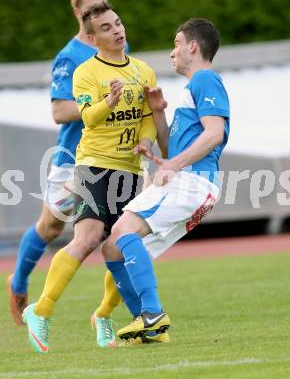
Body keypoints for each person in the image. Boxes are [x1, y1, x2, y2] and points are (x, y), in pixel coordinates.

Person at [22, 2, 161, 353]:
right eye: (107, 27)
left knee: (123, 246)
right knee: (88, 238)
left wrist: (145, 141)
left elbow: (147, 117)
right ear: (92, 37)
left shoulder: (144, 70)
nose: (117, 30)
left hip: (130, 170)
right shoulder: (85, 72)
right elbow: (89, 117)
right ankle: (41, 309)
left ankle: (103, 315)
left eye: (118, 23)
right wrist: (109, 102)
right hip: (94, 165)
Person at [102, 17, 230, 343]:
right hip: (187, 182)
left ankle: (153, 314)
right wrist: (158, 112)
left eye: (176, 44)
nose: (172, 52)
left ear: (193, 46)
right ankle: (148, 326)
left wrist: (174, 164)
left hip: (192, 181)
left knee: (122, 231)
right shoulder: (192, 88)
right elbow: (169, 148)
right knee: (113, 248)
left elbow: (214, 134)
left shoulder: (205, 80)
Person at [6, 0, 124, 346]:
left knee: (118, 234)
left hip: (111, 156)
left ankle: (111, 316)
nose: (99, 12)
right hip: (73, 158)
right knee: (50, 225)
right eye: (91, 8)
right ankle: (19, 284)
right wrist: (104, 104)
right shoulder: (69, 56)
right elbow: (59, 111)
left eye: (103, 5)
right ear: (77, 11)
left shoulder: (115, 40)